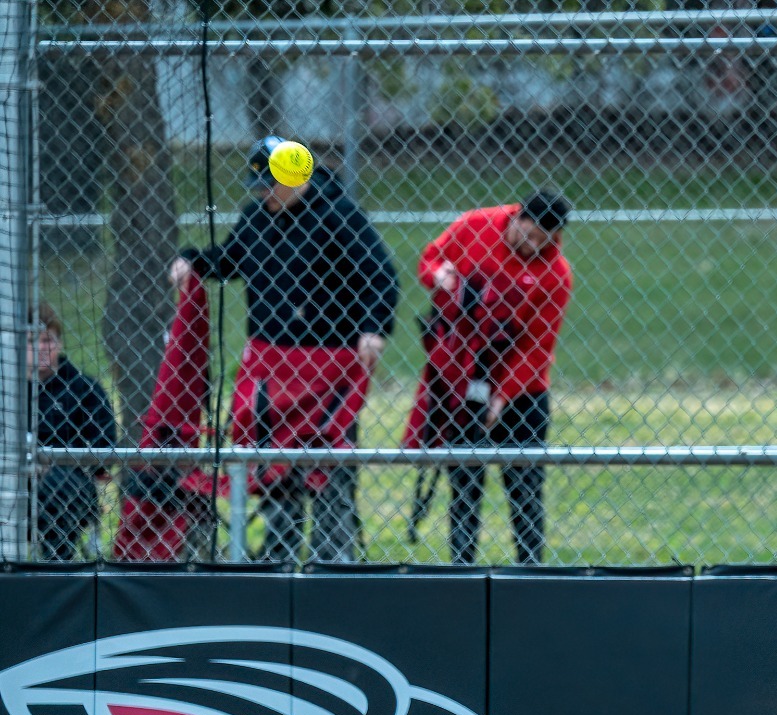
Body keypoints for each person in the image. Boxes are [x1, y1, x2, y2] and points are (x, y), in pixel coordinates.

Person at [171, 136, 399, 563]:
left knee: (329, 463)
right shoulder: (258, 216)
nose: (262, 196)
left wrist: (374, 329)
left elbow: (380, 275)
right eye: (258, 187)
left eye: (270, 186)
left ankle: (333, 559)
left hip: (328, 363)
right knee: (274, 464)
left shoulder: (338, 216)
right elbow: (230, 260)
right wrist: (193, 261)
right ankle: (279, 556)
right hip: (272, 363)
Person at [409, 189, 573, 565]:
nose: (532, 247)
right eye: (527, 236)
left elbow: (537, 347)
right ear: (517, 217)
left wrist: (503, 395)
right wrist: (439, 275)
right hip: (464, 377)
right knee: (465, 483)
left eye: (543, 242)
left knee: (525, 486)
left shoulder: (556, 275)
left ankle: (530, 568)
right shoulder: (475, 224)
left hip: (523, 392)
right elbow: (430, 259)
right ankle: (462, 567)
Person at [30, 303, 115, 560]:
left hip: (69, 482)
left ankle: (56, 568)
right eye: (32, 340)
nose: (41, 347)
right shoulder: (8, 391)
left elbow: (104, 448)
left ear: (60, 343)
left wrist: (52, 463)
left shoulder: (84, 389)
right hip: (15, 477)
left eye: (48, 340)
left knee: (56, 485)